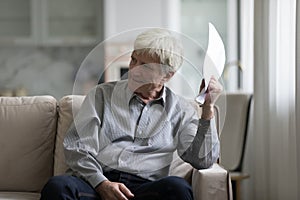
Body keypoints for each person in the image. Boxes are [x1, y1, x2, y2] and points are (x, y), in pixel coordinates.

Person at [40, 28, 223, 200]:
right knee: (58, 186)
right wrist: (102, 183)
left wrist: (207, 109)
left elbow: (202, 161)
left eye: (145, 66)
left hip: (146, 189)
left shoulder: (181, 110)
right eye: (133, 60)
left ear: (167, 76)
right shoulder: (101, 95)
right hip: (97, 184)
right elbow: (77, 147)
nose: (134, 69)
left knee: (178, 188)